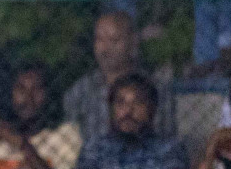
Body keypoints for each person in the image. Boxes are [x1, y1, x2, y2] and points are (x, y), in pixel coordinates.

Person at [62, 11, 176, 143]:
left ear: (133, 42)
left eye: (114, 40)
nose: (105, 49)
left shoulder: (156, 88)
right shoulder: (81, 90)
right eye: (99, 40)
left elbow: (167, 138)